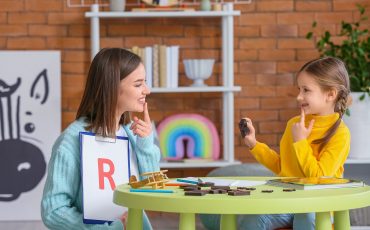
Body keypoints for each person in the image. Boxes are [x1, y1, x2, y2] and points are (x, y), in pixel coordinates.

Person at [41, 48, 160, 230]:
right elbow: (53, 211)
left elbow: (155, 190)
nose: (147, 90)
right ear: (112, 88)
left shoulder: (133, 134)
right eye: (138, 84)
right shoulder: (71, 141)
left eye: (145, 82)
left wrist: (145, 145)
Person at [238, 56, 351, 230]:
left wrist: (301, 142)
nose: (299, 96)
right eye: (299, 89)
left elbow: (319, 177)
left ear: (330, 94)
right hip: (287, 200)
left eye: (306, 90)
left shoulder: (340, 133)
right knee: (253, 220)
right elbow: (283, 167)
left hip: (319, 205)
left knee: (306, 218)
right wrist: (254, 144)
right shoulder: (294, 124)